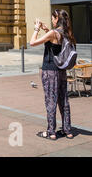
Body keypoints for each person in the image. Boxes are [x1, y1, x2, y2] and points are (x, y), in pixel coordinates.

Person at [31, 9, 75, 140]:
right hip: (62, 70)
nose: (51, 20)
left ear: (57, 19)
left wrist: (36, 29)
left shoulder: (53, 33)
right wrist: (46, 30)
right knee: (63, 100)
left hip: (50, 70)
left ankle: (51, 132)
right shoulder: (68, 33)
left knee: (51, 100)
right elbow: (55, 43)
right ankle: (68, 130)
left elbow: (32, 42)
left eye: (52, 18)